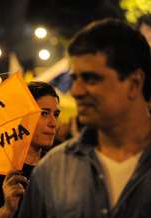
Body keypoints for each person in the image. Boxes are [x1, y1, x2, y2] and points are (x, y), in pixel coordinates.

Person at [18, 18, 151, 218]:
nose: (76, 91)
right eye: (75, 79)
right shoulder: (52, 170)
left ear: (134, 83)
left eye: (91, 79)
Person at [0, 81, 61, 218]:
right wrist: (7, 209)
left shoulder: (56, 164)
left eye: (56, 114)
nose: (53, 123)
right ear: (20, 116)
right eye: (44, 113)